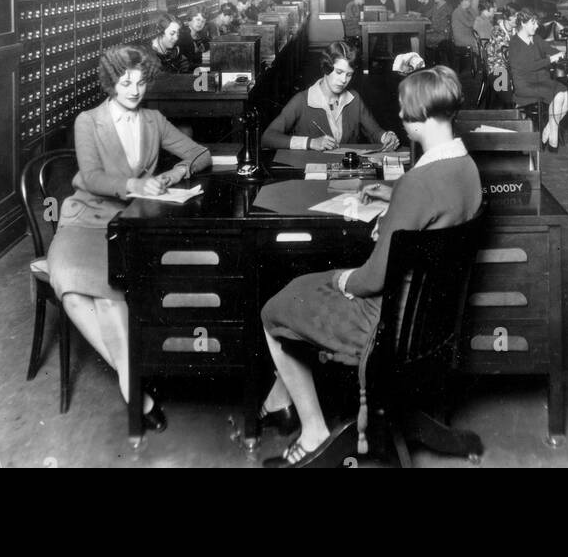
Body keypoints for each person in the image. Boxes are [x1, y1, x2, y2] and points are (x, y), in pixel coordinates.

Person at [258, 66, 482, 467]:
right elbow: (435, 207)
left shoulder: (419, 183)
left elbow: (371, 279)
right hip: (431, 322)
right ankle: (279, 400)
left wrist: (344, 279)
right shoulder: (466, 168)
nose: (399, 116)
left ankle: (312, 432)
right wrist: (395, 197)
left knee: (276, 307)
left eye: (403, 109)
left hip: (384, 323)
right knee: (308, 286)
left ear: (420, 117)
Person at [47, 44, 211, 427]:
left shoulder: (153, 120)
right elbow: (90, 177)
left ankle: (132, 387)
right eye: (125, 82)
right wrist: (136, 184)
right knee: (71, 288)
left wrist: (171, 176)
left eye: (139, 82)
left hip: (129, 225)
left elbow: (200, 154)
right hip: (85, 219)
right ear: (110, 83)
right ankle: (133, 386)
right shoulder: (89, 121)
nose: (134, 90)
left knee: (107, 298)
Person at [263, 41, 400, 151]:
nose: (343, 80)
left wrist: (386, 137)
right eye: (339, 72)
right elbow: (268, 137)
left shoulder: (354, 99)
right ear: (326, 67)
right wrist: (310, 143)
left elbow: (375, 132)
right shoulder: (302, 100)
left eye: (349, 74)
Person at [506, 9, 568, 149]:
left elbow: (550, 49)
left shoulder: (536, 39)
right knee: (559, 94)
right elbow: (528, 67)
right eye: (533, 23)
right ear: (523, 24)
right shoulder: (515, 43)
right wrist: (550, 59)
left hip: (541, 81)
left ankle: (549, 129)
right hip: (525, 85)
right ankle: (553, 137)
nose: (537, 27)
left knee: (566, 93)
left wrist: (560, 53)